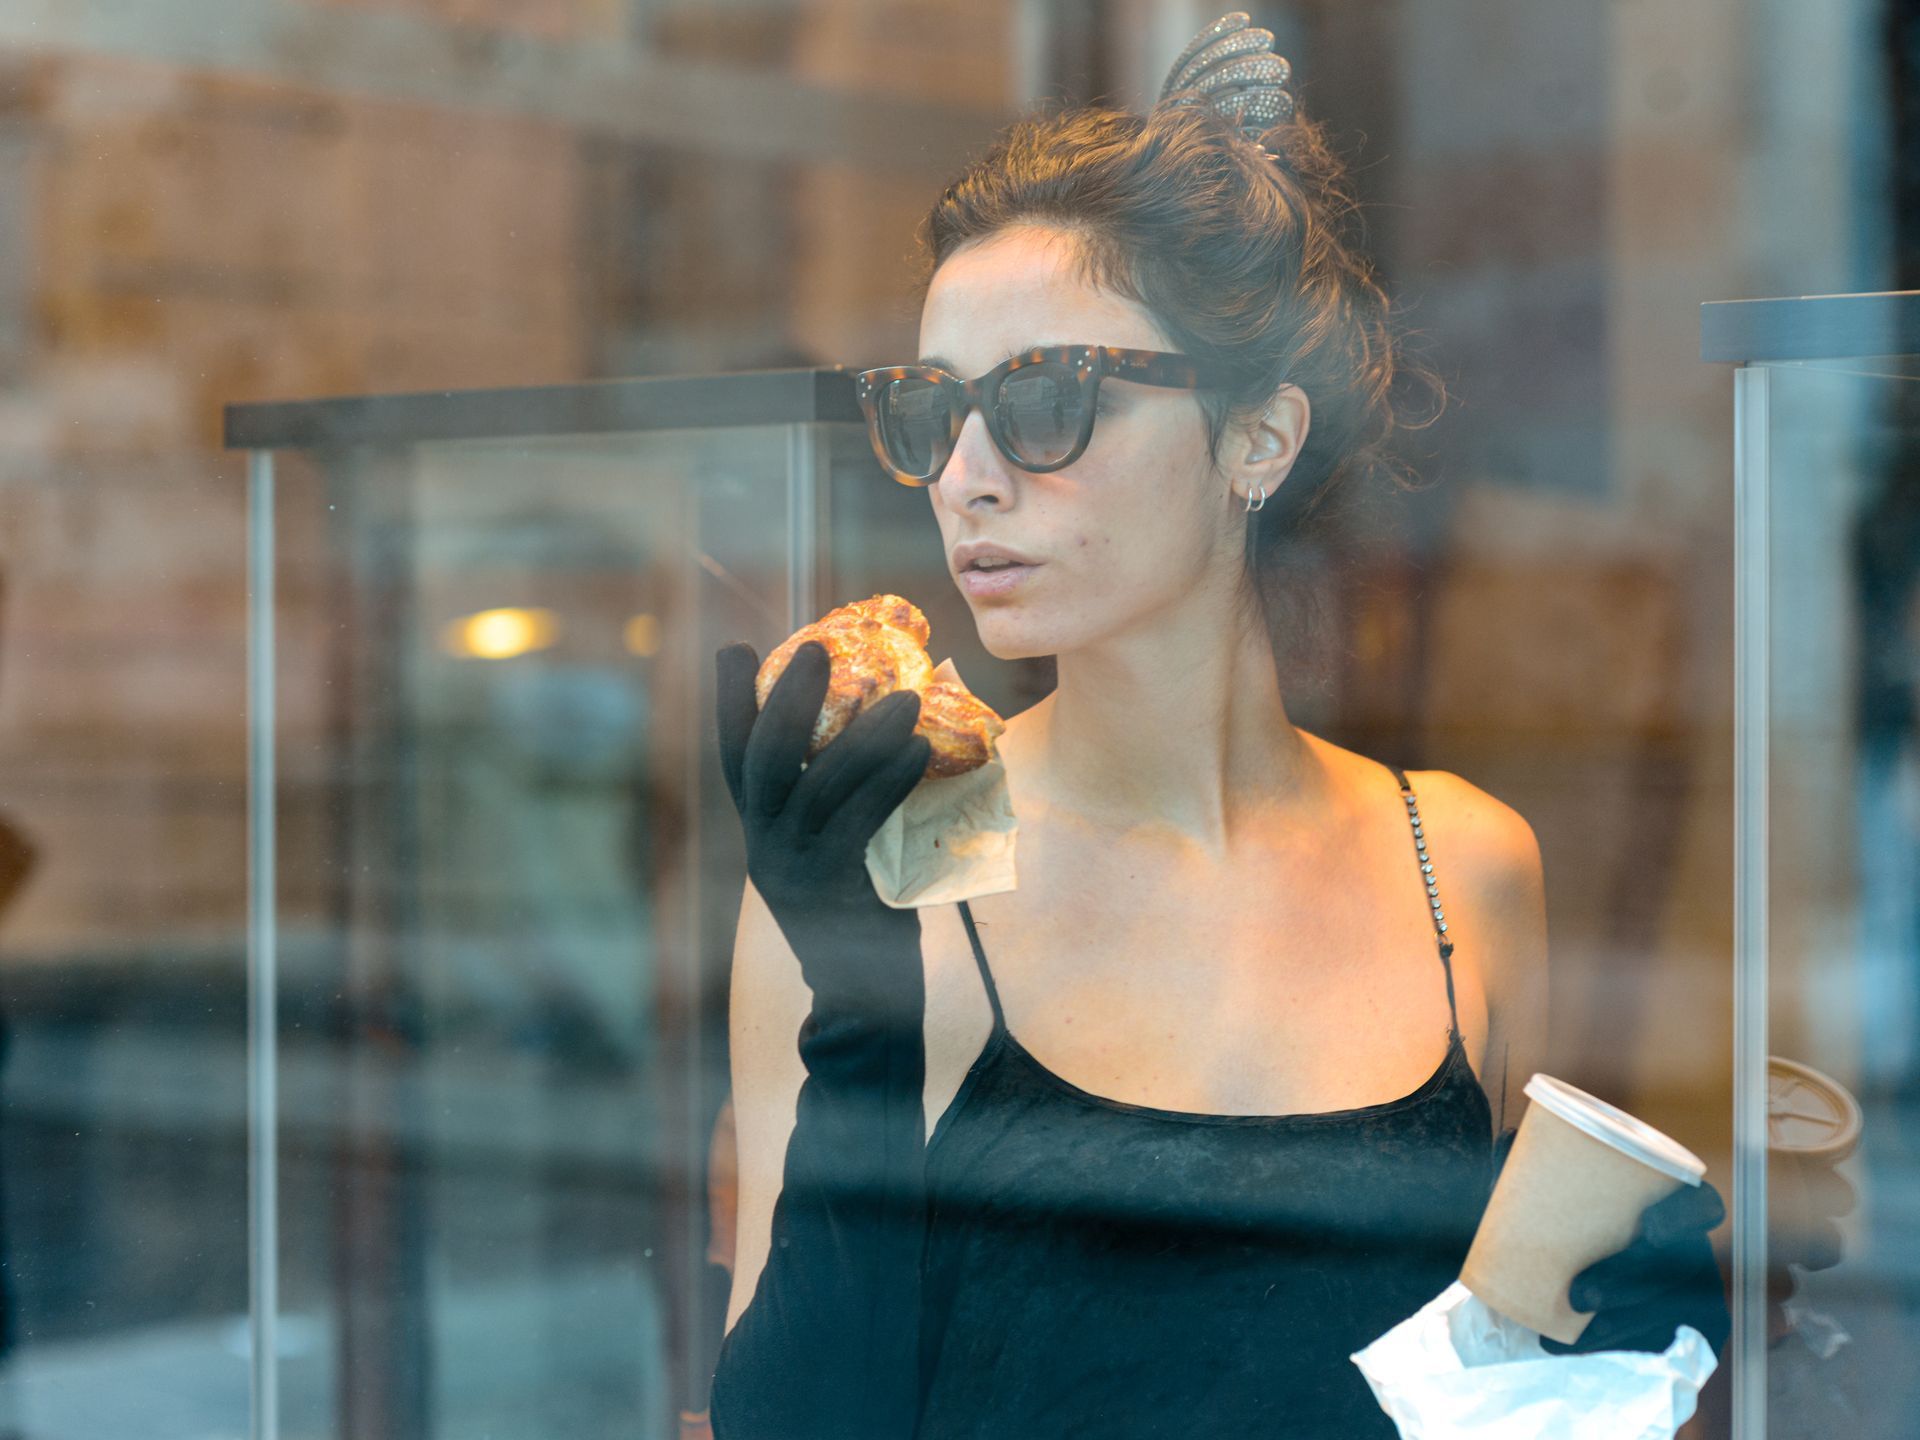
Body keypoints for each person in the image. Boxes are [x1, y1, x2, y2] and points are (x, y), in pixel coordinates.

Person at [706, 14, 1728, 1437]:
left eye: (1046, 400)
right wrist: (861, 1036)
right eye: (933, 410)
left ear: (1259, 437)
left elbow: (1476, 1397)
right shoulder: (891, 879)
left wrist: (1616, 1349)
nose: (967, 479)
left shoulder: (1465, 862)